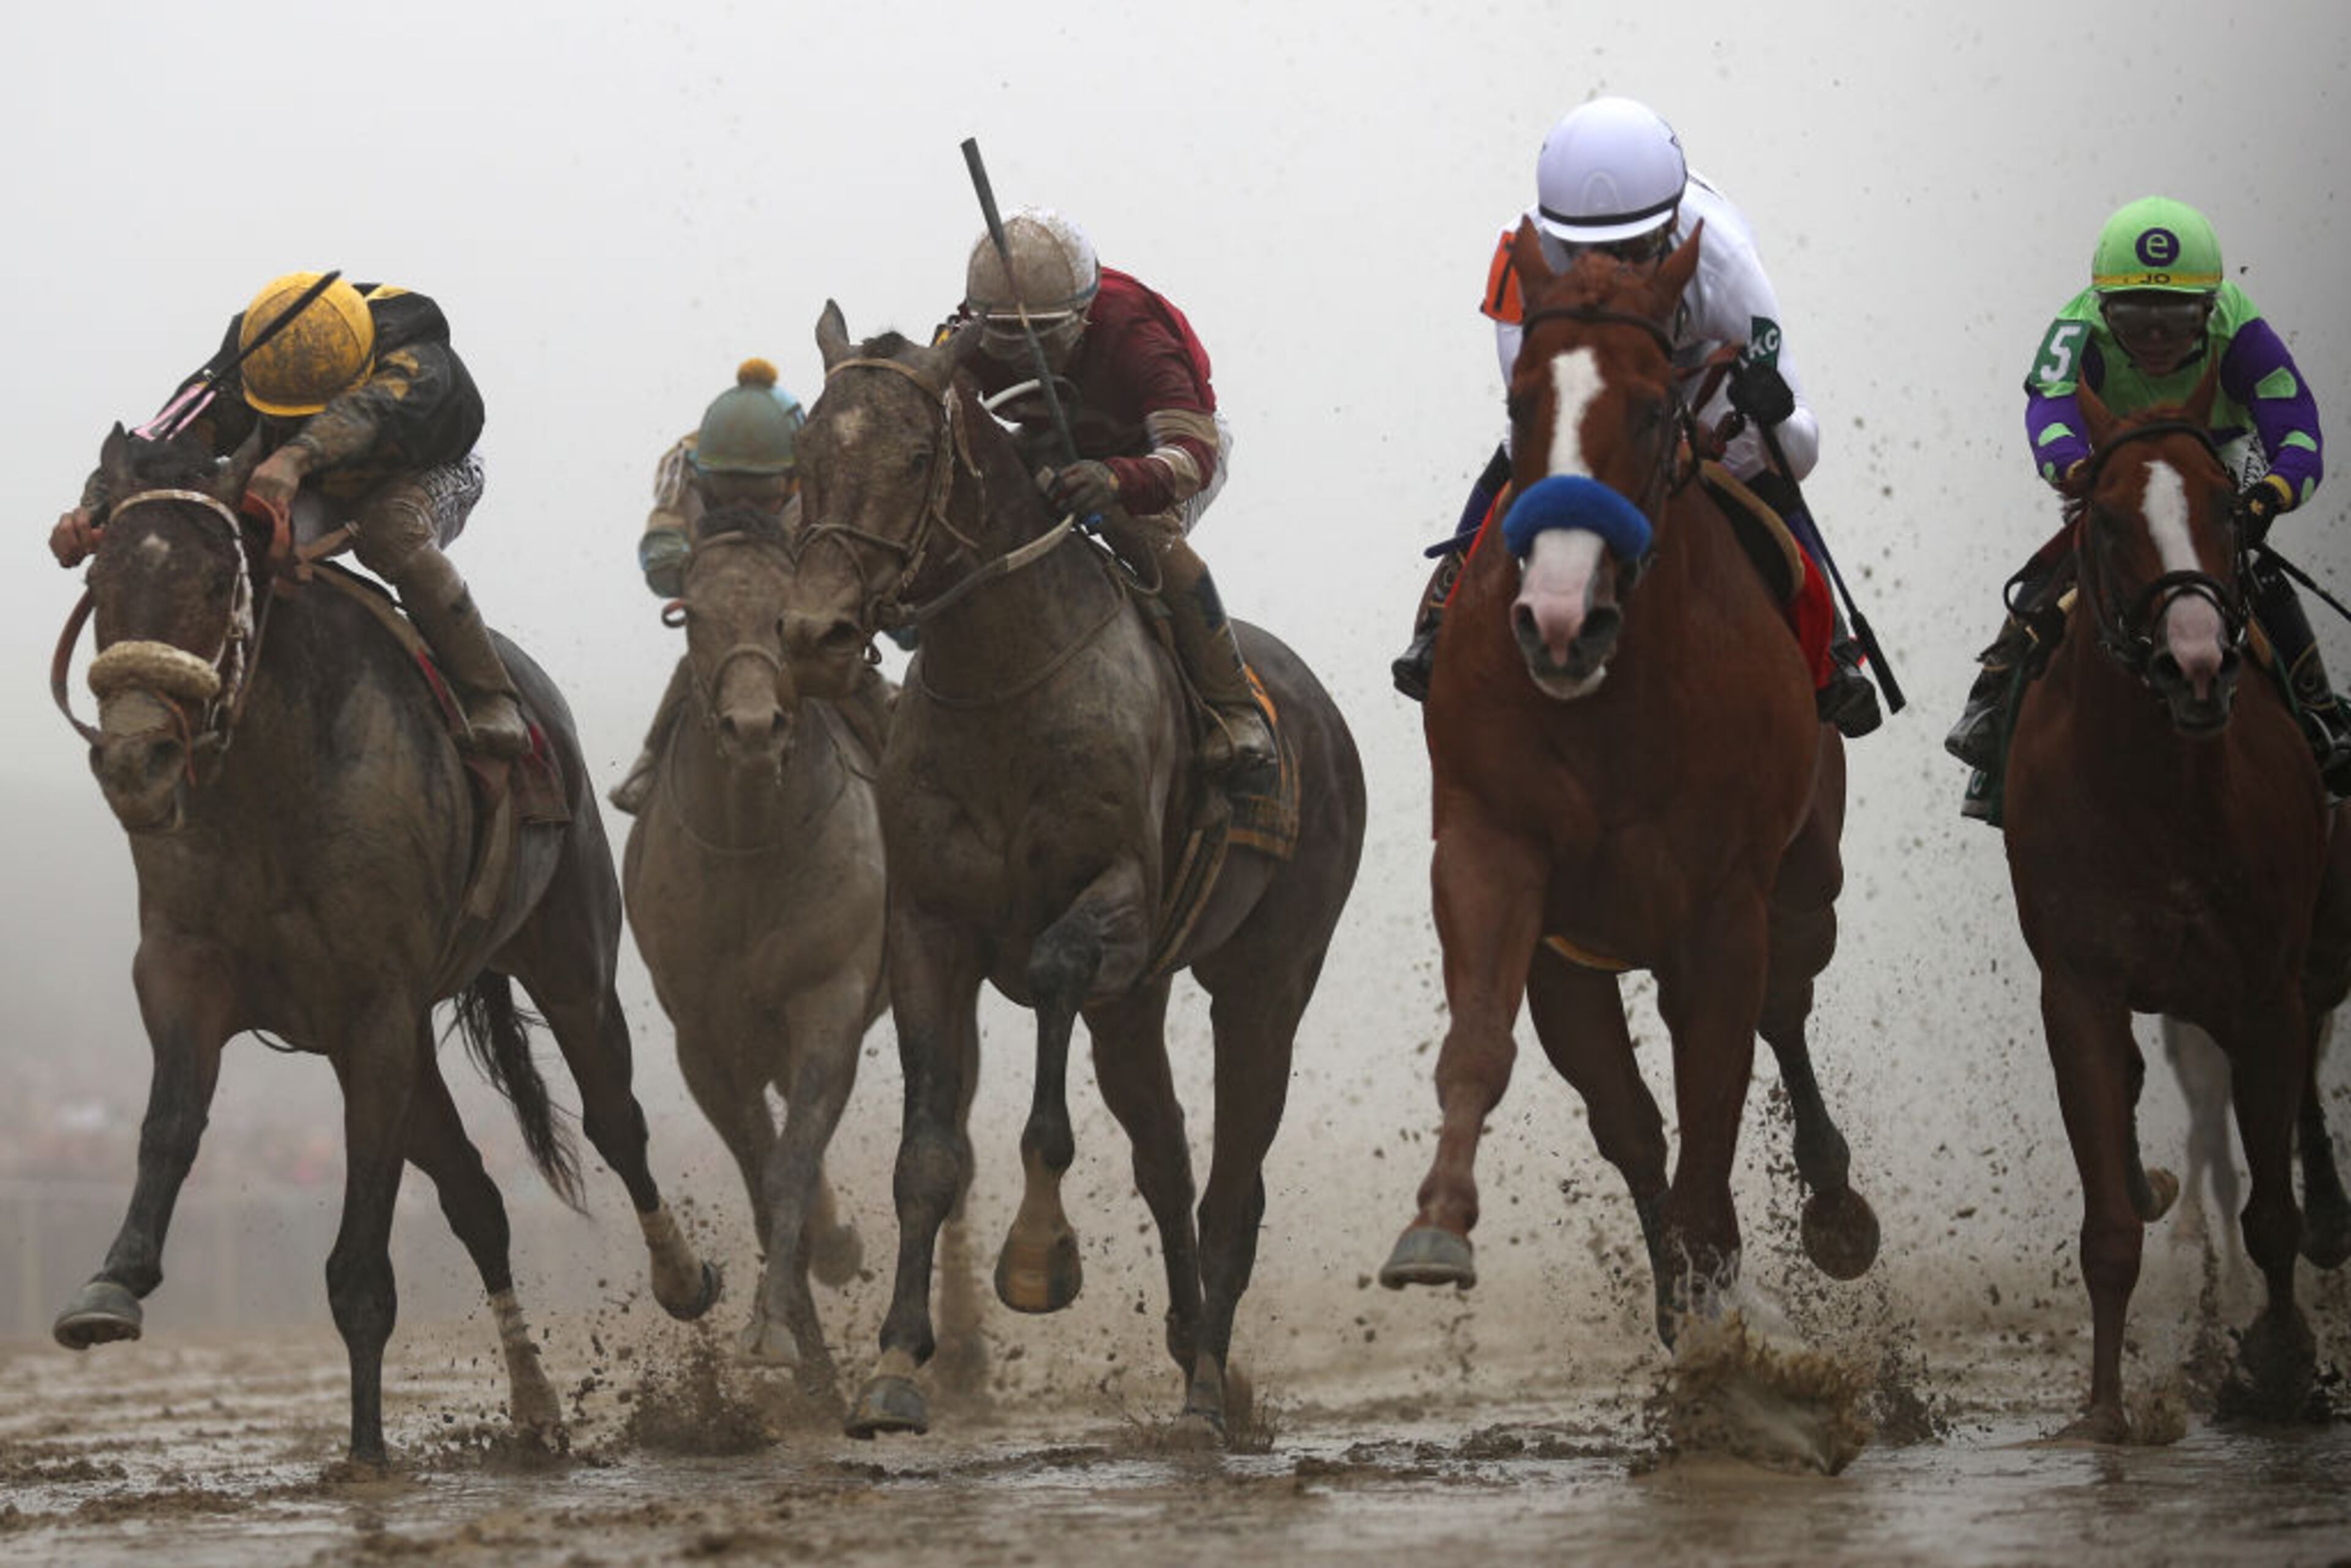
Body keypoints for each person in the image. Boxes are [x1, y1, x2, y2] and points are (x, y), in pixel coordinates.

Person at [1390, 97, 1883, 740]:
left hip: (1699, 381)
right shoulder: (1520, 253)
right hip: (1595, 380)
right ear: (1555, 234)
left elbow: (1802, 450)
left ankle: (1833, 650)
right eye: (1588, 249)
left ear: (1670, 227)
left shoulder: (1724, 261)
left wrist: (1767, 421)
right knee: (1532, 446)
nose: (1613, 266)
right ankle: (1443, 613)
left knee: (1752, 467)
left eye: (1634, 248)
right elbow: (1531, 405)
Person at [1946, 195, 2341, 795]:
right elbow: (2049, 413)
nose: (2157, 337)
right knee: (2074, 555)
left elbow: (2300, 433)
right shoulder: (2075, 329)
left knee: (2245, 559)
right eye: (2134, 321)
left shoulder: (2243, 329)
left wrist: (2268, 495)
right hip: (2117, 460)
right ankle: (1992, 703)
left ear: (2210, 308)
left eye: (2179, 321)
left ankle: (2319, 714)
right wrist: (2079, 472)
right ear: (2105, 311)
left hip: (2216, 452)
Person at [50, 272, 528, 756]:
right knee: (234, 534)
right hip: (316, 477)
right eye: (280, 413)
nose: (287, 423)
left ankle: (491, 694)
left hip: (429, 467)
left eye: (305, 412)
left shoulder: (419, 363)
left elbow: (369, 414)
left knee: (390, 531)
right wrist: (94, 507)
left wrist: (295, 455)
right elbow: (158, 441)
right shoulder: (252, 357)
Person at [947, 206, 1278, 787]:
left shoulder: (1138, 336)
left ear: (1083, 313)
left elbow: (1191, 457)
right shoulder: (971, 333)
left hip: (1161, 449)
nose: (1026, 354)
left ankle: (1234, 708)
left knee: (1143, 533)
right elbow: (941, 408)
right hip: (1051, 439)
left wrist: (1117, 479)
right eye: (1007, 338)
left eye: (1045, 335)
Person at [609, 358, 893, 814]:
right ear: (707, 477)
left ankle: (901, 768)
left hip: (799, 606)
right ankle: (651, 758)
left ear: (793, 478)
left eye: (762, 496)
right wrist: (697, 573)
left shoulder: (822, 471)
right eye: (728, 492)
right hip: (726, 607)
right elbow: (660, 555)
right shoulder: (684, 464)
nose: (744, 504)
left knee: (839, 663)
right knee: (703, 661)